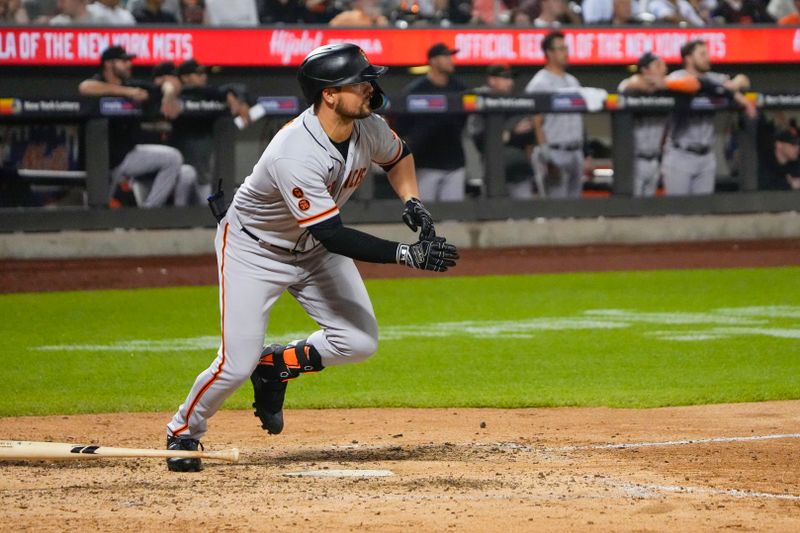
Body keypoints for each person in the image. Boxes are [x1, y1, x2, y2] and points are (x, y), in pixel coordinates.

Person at [164, 43, 458, 472]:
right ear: (329, 95)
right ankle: (183, 430)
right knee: (233, 364)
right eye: (360, 82)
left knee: (359, 341)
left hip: (313, 249)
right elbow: (332, 233)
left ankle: (275, 365)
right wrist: (406, 254)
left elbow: (399, 157)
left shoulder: (368, 127)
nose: (370, 88)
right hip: (255, 251)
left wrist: (412, 200)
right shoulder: (294, 151)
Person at [78, 45, 195, 207]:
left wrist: (168, 95)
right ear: (108, 64)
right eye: (124, 61)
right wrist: (126, 92)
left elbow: (169, 83)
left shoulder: (133, 85)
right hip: (98, 161)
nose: (129, 64)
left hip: (126, 156)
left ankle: (148, 212)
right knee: (97, 212)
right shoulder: (98, 83)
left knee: (172, 157)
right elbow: (85, 87)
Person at [661, 39, 757, 196]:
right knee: (678, 211)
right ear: (688, 58)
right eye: (702, 54)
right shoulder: (677, 77)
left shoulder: (714, 77)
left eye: (707, 53)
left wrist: (733, 85)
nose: (707, 57)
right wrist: (725, 90)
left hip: (706, 156)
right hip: (680, 154)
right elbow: (693, 84)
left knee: (703, 212)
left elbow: (744, 80)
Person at [169, 58, 251, 203]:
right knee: (182, 193)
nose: (203, 77)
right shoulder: (177, 95)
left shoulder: (211, 94)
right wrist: (225, 93)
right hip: (178, 172)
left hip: (203, 173)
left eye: (204, 73)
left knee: (205, 207)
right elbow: (195, 91)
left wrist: (237, 98)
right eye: (198, 74)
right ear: (184, 77)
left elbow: (238, 88)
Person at [395, 42, 467, 202]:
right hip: (425, 163)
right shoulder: (416, 90)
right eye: (446, 56)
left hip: (454, 163)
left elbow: (464, 121)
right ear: (433, 61)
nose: (451, 60)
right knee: (425, 218)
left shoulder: (459, 88)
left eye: (451, 56)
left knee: (453, 219)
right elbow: (401, 126)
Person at [524, 31, 585, 199]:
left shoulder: (573, 81)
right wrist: (546, 157)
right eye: (561, 49)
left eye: (566, 48)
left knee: (575, 212)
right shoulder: (540, 83)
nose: (566, 53)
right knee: (556, 212)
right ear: (549, 53)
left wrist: (585, 153)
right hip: (554, 151)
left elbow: (578, 119)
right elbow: (536, 122)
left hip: (575, 152)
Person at [466, 64, 536, 199]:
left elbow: (529, 134)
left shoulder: (517, 103)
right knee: (496, 215)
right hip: (494, 174)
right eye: (505, 78)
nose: (510, 82)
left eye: (511, 78)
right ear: (492, 80)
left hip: (520, 171)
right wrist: (511, 133)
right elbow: (480, 139)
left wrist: (506, 135)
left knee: (524, 216)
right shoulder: (479, 102)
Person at [758, 124, 800, 190]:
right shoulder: (764, 164)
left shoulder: (796, 164)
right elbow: (764, 187)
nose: (798, 148)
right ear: (778, 145)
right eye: (793, 144)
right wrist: (789, 185)